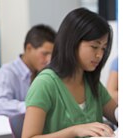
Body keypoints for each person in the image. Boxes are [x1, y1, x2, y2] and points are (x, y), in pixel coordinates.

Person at [23, 8, 117, 138]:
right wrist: (74, 131)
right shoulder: (45, 84)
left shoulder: (90, 82)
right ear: (72, 42)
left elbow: (115, 113)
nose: (99, 55)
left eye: (103, 48)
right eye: (94, 47)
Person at [0, 24, 56, 117]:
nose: (48, 60)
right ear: (29, 48)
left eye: (51, 55)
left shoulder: (47, 73)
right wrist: (34, 107)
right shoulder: (7, 72)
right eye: (44, 54)